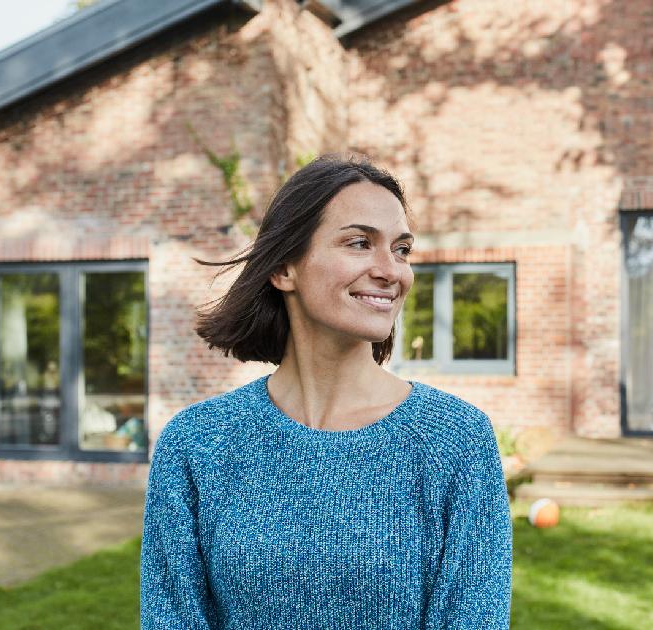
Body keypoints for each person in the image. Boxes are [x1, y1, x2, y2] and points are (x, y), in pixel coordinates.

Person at [139, 153, 513, 629]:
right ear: (284, 269)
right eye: (360, 243)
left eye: (401, 250)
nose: (392, 271)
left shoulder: (454, 441)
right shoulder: (198, 444)